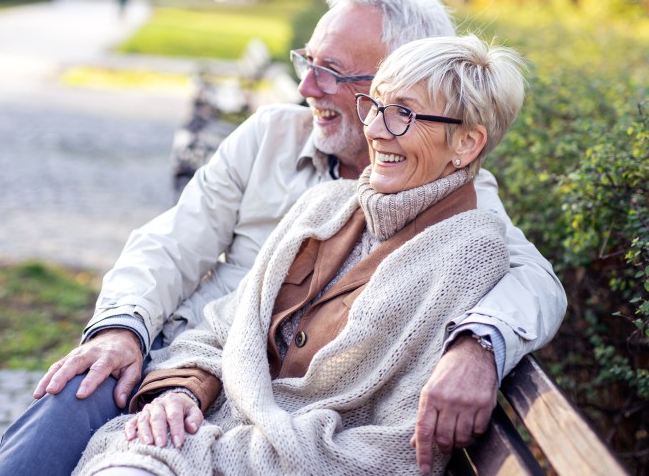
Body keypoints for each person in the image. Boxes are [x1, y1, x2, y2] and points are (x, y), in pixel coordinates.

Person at [0, 0, 566, 476]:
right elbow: (168, 246)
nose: (306, 87)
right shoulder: (273, 138)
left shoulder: (463, 214)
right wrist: (124, 327)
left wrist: (478, 345)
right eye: (307, 63)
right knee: (74, 391)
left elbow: (534, 281)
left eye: (332, 72)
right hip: (175, 362)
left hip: (265, 422)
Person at [72, 34, 529, 475]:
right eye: (375, 107)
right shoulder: (325, 204)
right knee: (74, 403)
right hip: (195, 430)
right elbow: (224, 326)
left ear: (467, 143)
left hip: (245, 456)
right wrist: (180, 394)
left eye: (403, 115)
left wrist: (203, 450)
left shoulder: (470, 253)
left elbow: (392, 451)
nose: (374, 130)